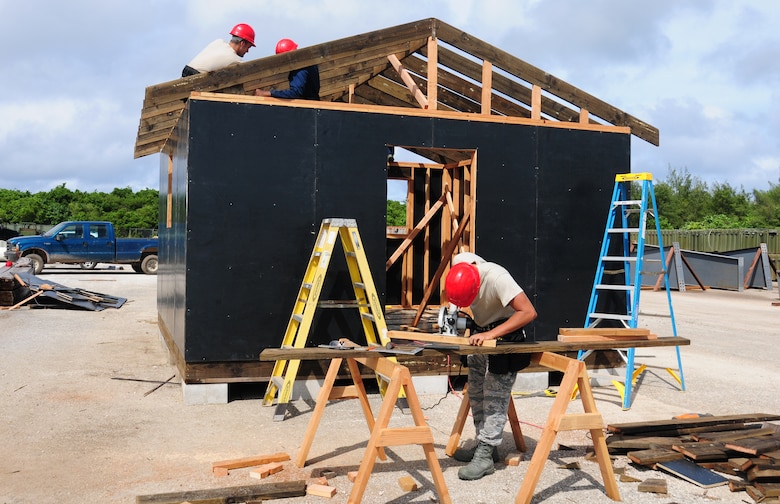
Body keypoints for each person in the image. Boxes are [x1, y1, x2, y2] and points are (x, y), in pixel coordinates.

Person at [444, 252, 538, 481]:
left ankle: (485, 455)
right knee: (476, 391)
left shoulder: (497, 277)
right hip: (480, 333)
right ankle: (485, 446)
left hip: (506, 336)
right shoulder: (460, 266)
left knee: (495, 395)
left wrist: (492, 334)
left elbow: (528, 312)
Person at [254, 38, 320, 100]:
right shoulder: (310, 63)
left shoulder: (300, 67)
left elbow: (295, 93)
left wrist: (268, 93)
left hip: (307, 108)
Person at [182, 24, 256, 77]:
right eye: (248, 47)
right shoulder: (235, 60)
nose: (247, 51)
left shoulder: (218, 42)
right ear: (242, 43)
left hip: (186, 72)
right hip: (197, 78)